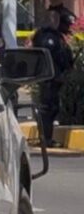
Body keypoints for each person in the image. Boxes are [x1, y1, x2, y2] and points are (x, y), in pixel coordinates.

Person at [32, 10, 74, 147]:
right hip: (49, 78)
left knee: (52, 108)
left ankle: (47, 138)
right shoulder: (47, 37)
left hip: (53, 77)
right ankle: (46, 139)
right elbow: (53, 54)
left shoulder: (52, 35)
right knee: (47, 109)